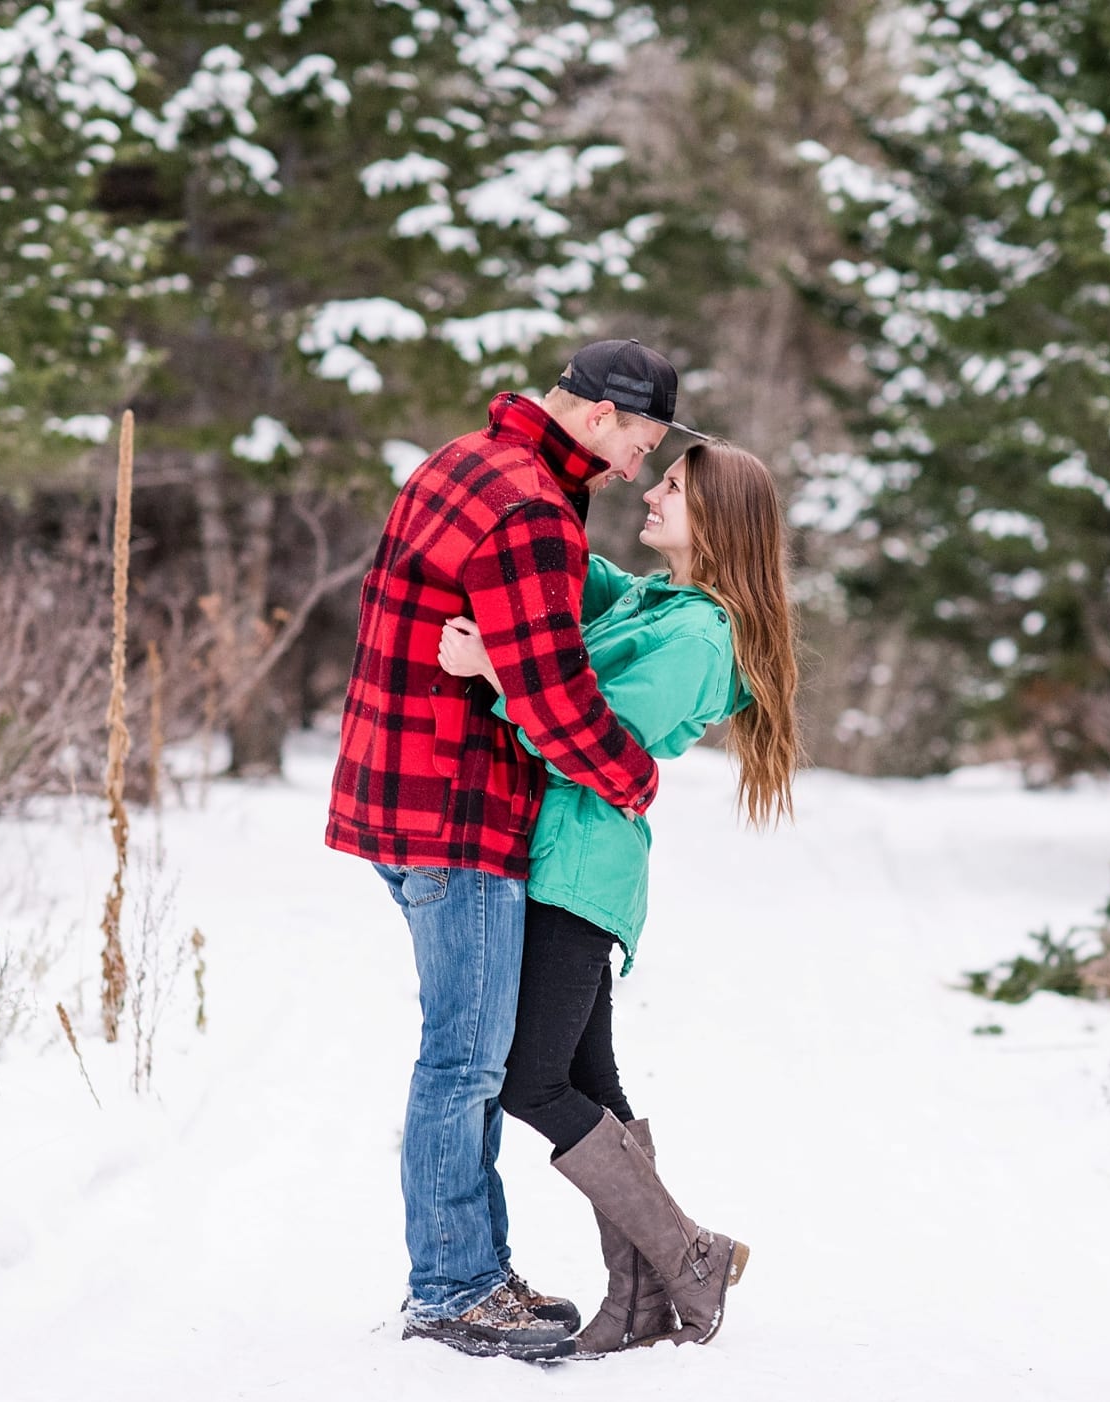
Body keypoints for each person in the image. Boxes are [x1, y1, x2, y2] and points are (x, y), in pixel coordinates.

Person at [326, 340, 704, 1362]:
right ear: (598, 414)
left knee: (466, 1052)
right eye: (640, 440)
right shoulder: (533, 505)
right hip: (459, 810)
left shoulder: (459, 463)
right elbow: (554, 697)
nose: (635, 467)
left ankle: (471, 1270)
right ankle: (456, 1286)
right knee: (467, 1059)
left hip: (393, 796)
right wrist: (636, 778)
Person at [437, 439, 799, 1353]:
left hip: (581, 866)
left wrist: (494, 671)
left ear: (717, 519)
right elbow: (571, 573)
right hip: (558, 856)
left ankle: (690, 1252)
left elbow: (591, 738)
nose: (651, 490)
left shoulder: (699, 636)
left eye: (672, 488)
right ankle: (638, 1302)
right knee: (592, 1081)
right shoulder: (656, 601)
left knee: (533, 1081)